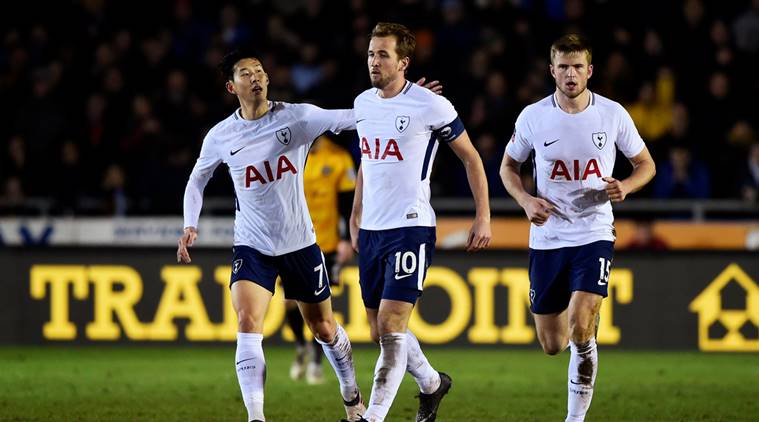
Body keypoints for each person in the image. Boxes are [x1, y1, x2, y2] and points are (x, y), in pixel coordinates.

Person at [176, 50, 441, 422]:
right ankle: (256, 417)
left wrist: (406, 101)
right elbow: (197, 178)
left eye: (260, 71)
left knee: (324, 328)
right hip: (252, 245)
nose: (256, 77)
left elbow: (355, 118)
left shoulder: (297, 117)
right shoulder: (221, 135)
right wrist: (190, 224)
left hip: (300, 244)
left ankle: (351, 395)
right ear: (230, 86)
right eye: (246, 73)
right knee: (248, 322)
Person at [499, 34, 656, 422]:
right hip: (548, 236)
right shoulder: (533, 117)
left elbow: (646, 165)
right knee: (553, 343)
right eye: (563, 67)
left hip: (594, 231)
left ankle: (575, 418)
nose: (571, 74)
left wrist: (627, 186)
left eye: (577, 67)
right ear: (552, 71)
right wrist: (526, 200)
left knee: (581, 324)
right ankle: (579, 341)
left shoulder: (613, 114)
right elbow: (507, 167)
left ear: (590, 70)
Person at [349, 23, 492, 422]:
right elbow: (368, 160)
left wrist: (483, 216)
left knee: (393, 326)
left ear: (404, 62)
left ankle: (372, 418)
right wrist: (356, 213)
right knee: (378, 332)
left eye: (383, 55)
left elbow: (471, 158)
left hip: (411, 227)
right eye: (371, 54)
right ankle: (432, 384)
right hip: (373, 230)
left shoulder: (431, 105)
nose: (374, 62)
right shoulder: (363, 103)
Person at [285, 134, 356, 385]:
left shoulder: (338, 157)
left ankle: (316, 360)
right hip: (293, 243)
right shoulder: (289, 151)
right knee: (290, 304)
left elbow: (348, 201)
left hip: (326, 243)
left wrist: (346, 239)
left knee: (322, 307)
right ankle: (301, 346)